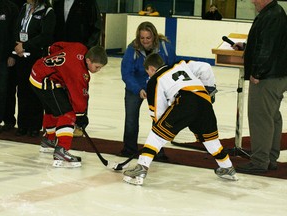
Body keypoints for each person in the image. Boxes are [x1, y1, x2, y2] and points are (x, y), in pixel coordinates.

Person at [123, 53, 238, 185]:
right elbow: (205, 67)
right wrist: (209, 88)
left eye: (148, 72)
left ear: (151, 69)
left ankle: (141, 168)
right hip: (204, 101)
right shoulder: (181, 64)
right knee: (210, 139)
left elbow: (158, 111)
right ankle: (227, 167)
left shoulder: (155, 79)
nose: (148, 75)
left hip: (185, 101)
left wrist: (159, 127)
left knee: (156, 135)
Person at [30, 42, 108, 168]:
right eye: (97, 67)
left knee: (54, 108)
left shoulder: (80, 47)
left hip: (38, 69)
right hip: (45, 78)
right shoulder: (79, 72)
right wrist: (81, 115)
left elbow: (56, 46)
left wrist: (50, 54)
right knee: (67, 113)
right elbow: (78, 96)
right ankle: (62, 150)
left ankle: (49, 140)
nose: (98, 70)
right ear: (88, 60)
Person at [232, 0, 287, 173]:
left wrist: (257, 72)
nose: (252, 1)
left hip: (267, 76)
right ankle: (269, 157)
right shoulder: (274, 13)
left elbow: (267, 49)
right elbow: (266, 43)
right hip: (275, 74)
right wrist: (246, 48)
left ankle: (260, 161)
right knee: (272, 116)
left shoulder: (271, 15)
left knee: (261, 117)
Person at [120, 21, 177, 159]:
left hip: (158, 88)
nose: (145, 41)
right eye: (142, 38)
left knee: (158, 119)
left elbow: (173, 68)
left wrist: (168, 89)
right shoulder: (132, 49)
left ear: (154, 37)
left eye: (148, 38)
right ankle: (129, 149)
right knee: (131, 120)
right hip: (136, 88)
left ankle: (157, 151)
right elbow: (126, 73)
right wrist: (138, 89)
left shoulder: (165, 47)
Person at [52, 0, 102, 137]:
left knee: (79, 89)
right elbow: (53, 25)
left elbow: (96, 27)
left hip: (80, 54)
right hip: (60, 54)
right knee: (58, 87)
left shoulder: (88, 3)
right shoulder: (57, 2)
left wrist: (86, 50)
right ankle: (61, 122)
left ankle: (79, 124)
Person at [12, 0, 56, 137]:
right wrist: (17, 46)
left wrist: (26, 46)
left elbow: (46, 35)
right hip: (20, 56)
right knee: (22, 91)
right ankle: (22, 125)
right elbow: (16, 28)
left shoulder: (48, 12)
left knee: (35, 92)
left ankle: (34, 126)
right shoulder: (24, 7)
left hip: (36, 58)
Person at [0, 0, 19, 133]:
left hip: (4, 58)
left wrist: (13, 54)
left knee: (4, 90)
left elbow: (15, 32)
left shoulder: (10, 7)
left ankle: (7, 120)